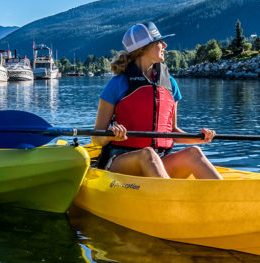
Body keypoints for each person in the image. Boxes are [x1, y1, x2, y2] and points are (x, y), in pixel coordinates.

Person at [91, 22, 221, 179]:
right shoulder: (117, 84)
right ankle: (168, 199)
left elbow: (171, 132)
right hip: (121, 163)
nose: (165, 45)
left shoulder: (170, 83)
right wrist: (111, 135)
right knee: (148, 154)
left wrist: (200, 138)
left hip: (159, 160)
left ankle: (228, 201)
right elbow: (96, 138)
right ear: (144, 48)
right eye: (159, 41)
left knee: (194, 152)